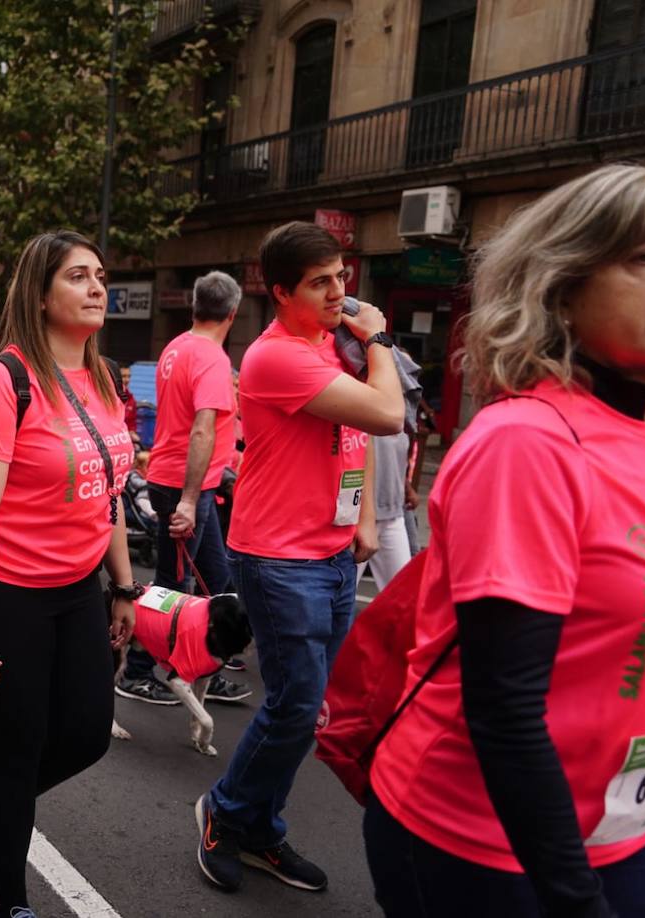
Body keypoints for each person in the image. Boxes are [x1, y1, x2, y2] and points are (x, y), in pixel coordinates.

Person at [365, 164, 645, 918]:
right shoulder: (528, 445)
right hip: (479, 839)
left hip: (630, 830)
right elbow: (505, 707)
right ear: (562, 290)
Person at [196, 221, 403, 895]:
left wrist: (366, 516)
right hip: (281, 559)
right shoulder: (277, 356)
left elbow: (355, 436)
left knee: (306, 705)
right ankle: (226, 816)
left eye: (343, 277)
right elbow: (386, 415)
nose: (340, 290)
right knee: (295, 702)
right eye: (321, 282)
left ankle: (259, 827)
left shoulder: (323, 345)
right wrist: (377, 341)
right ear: (281, 292)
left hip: (333, 552)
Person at [0, 230, 136, 918]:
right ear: (41, 292)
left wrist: (123, 585)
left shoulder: (106, 377)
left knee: (85, 735)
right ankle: (13, 900)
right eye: (78, 276)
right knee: (19, 749)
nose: (96, 287)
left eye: (100, 275)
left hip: (78, 588)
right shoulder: (6, 381)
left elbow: (106, 489)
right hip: (7, 593)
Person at [121, 271, 250, 706]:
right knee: (171, 586)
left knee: (218, 581)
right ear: (232, 313)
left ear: (196, 305)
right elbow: (201, 430)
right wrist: (191, 501)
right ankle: (137, 672)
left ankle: (210, 664)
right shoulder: (211, 357)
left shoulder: (175, 347)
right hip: (183, 487)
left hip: (183, 481)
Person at [354, 432, 414, 589]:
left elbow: (397, 459)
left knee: (405, 592)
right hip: (358, 517)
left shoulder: (402, 416)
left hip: (393, 512)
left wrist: (407, 488)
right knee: (341, 595)